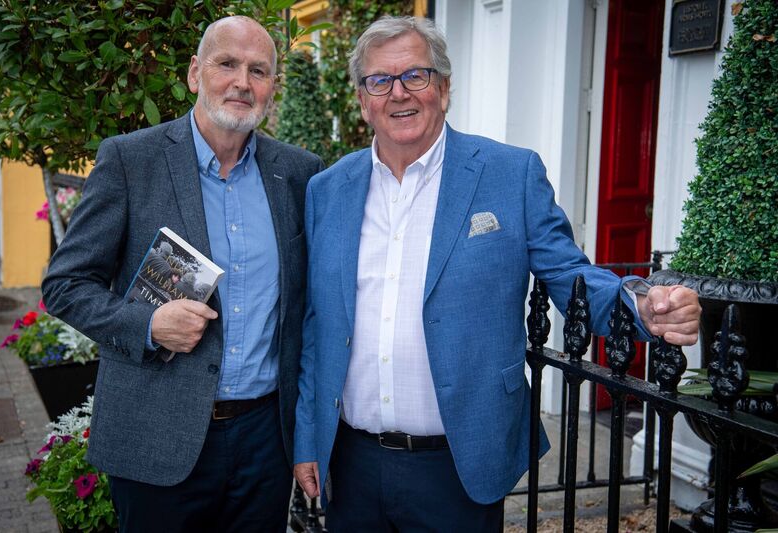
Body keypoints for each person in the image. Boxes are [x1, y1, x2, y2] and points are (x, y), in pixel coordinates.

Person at [292, 16, 701, 531]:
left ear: (443, 87)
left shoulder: (510, 174)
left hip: (461, 461)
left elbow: (570, 275)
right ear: (361, 98)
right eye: (380, 80)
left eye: (415, 75)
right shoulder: (328, 190)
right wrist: (308, 438)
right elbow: (316, 325)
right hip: (351, 463)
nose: (399, 93)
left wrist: (640, 304)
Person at [42, 16, 324, 532]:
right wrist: (147, 326)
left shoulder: (299, 174)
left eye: (258, 70)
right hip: (157, 436)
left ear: (272, 87)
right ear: (195, 73)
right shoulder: (132, 160)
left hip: (265, 443)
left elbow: (308, 310)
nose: (242, 81)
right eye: (227, 64)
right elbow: (64, 285)